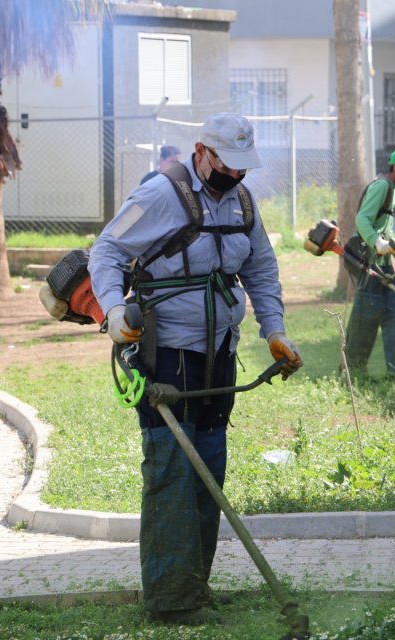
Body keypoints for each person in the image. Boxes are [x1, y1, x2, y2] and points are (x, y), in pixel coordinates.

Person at [88, 113, 302, 625]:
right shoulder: (162, 194)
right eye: (228, 168)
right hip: (169, 353)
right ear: (202, 152)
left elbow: (261, 268)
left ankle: (194, 586)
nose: (236, 179)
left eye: (242, 170)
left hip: (220, 353)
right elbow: (108, 250)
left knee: (209, 468)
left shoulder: (243, 201)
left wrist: (273, 331)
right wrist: (115, 310)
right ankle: (168, 599)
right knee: (172, 471)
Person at [343, 147, 395, 374]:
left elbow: (384, 231)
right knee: (365, 321)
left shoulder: (393, 189)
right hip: (369, 265)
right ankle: (352, 372)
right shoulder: (382, 187)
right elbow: (362, 220)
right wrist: (375, 242)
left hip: (384, 266)